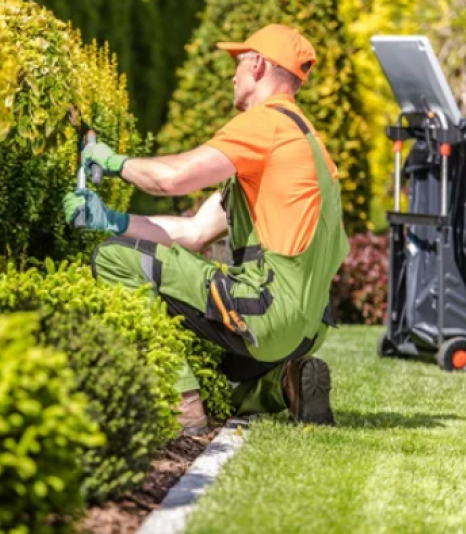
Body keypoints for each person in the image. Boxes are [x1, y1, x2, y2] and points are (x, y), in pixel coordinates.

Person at [62, 24, 350, 435]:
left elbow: (172, 179)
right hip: (306, 329)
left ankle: (182, 405)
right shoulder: (306, 142)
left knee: (111, 258)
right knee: (211, 368)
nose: (232, 75)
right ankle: (282, 386)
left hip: (266, 313)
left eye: (238, 63)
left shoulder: (265, 124)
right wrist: (112, 220)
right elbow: (195, 232)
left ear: (259, 66)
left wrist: (113, 162)